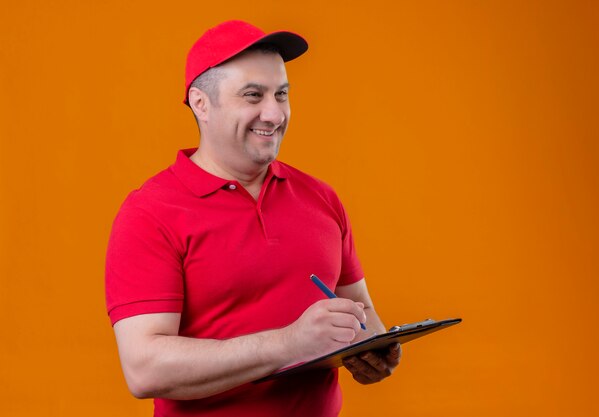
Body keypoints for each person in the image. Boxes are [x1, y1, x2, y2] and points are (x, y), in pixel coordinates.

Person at [105, 20, 401, 417]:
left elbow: (364, 316)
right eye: (253, 95)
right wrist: (290, 343)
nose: (274, 113)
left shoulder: (321, 198)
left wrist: (371, 350)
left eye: (281, 94)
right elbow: (144, 369)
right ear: (201, 103)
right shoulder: (150, 212)